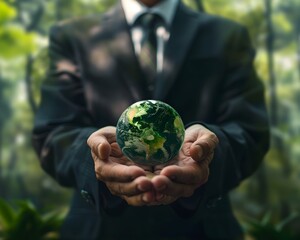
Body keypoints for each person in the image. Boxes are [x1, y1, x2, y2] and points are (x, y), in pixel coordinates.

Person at [32, 0, 270, 239]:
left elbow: (250, 132)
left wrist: (206, 157)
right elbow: (53, 133)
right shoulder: (72, 35)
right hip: (99, 229)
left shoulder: (227, 35)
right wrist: (96, 158)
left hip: (201, 229)